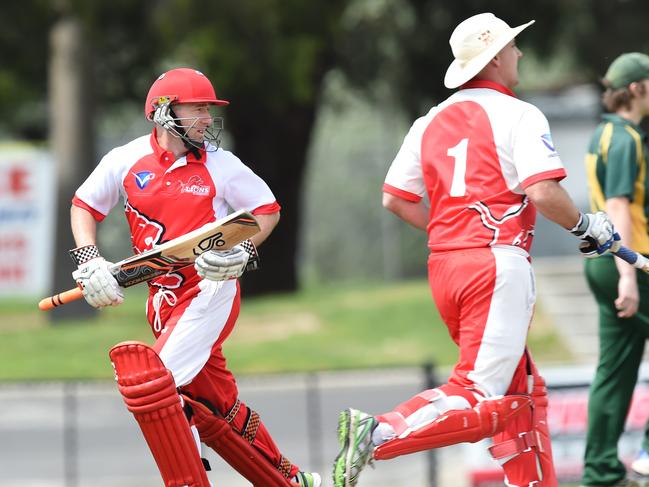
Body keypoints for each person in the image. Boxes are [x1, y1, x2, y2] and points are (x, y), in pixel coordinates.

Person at [332, 13, 621, 487]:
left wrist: (449, 232)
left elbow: (395, 198)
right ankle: (381, 431)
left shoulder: (430, 120)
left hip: (447, 266)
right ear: (495, 58)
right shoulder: (519, 114)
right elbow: (544, 193)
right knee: (476, 389)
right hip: (495, 263)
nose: (520, 54)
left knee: (523, 391)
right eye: (512, 47)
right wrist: (588, 225)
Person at [69, 67, 320, 487]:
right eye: (198, 108)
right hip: (161, 300)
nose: (207, 118)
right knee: (214, 404)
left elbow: (267, 210)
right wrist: (90, 258)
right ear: (164, 112)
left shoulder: (222, 165)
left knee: (153, 383)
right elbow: (84, 206)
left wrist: (243, 250)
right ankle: (290, 480)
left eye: (209, 109)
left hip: (210, 289)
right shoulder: (125, 159)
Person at [580, 53, 649, 487]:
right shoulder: (627, 138)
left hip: (601, 261)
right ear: (638, 89)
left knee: (614, 369)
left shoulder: (601, 133)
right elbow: (620, 204)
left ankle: (600, 471)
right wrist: (628, 272)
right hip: (631, 262)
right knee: (614, 368)